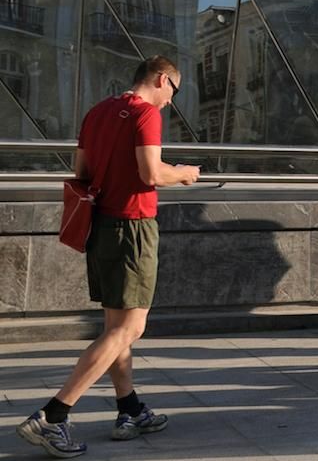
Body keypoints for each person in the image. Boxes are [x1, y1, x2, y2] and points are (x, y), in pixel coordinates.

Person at [18, 57, 199, 458]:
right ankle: (53, 416)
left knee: (116, 326)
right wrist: (183, 172)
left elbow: (81, 170)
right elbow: (151, 174)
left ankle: (129, 409)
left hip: (101, 227)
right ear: (161, 79)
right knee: (130, 328)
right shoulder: (146, 114)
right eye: (174, 90)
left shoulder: (97, 112)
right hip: (132, 228)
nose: (171, 100)